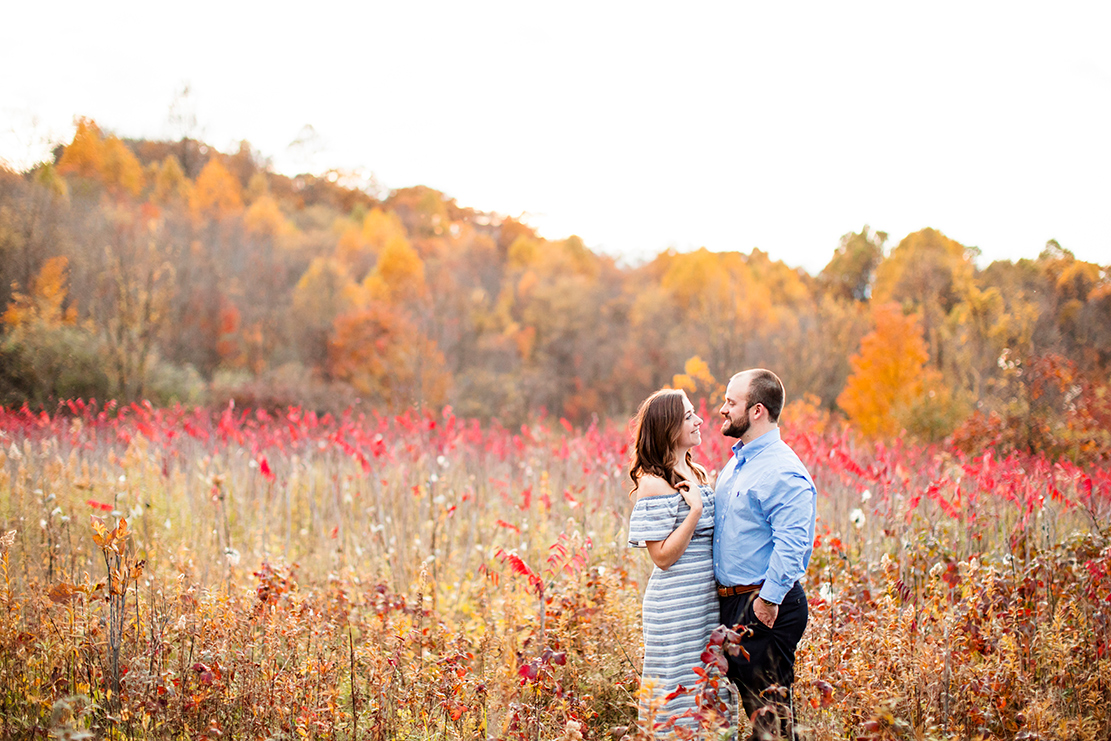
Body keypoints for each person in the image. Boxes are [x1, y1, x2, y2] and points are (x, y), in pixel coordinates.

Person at [713, 369, 816, 740]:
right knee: (754, 715)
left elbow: (794, 542)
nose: (722, 409)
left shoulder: (782, 470)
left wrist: (768, 600)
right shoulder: (738, 462)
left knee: (770, 724)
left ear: (757, 410)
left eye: (730, 402)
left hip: (765, 605)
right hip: (734, 603)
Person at [627, 388, 730, 731]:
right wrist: (694, 511)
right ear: (668, 428)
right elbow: (662, 558)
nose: (700, 420)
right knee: (678, 687)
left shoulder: (696, 471)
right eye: (688, 417)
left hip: (705, 603)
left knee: (709, 686)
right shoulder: (654, 483)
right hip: (676, 607)